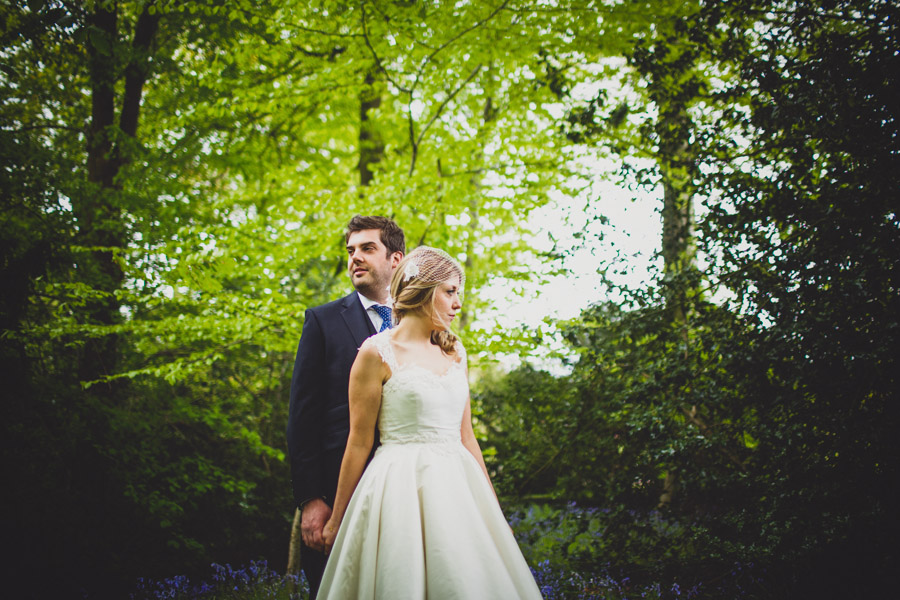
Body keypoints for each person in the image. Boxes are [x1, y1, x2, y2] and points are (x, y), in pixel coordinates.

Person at [317, 246, 543, 599]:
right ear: (422, 290)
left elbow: (467, 436)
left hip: (459, 489)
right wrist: (336, 519)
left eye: (459, 294)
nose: (457, 304)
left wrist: (494, 513)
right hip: (397, 488)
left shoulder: (456, 351)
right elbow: (358, 441)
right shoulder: (375, 353)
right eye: (450, 291)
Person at [286, 215, 405, 598]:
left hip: (405, 492)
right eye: (351, 250)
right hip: (339, 493)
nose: (355, 258)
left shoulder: (420, 324)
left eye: (368, 249)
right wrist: (311, 499)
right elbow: (302, 417)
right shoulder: (322, 322)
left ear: (396, 259)